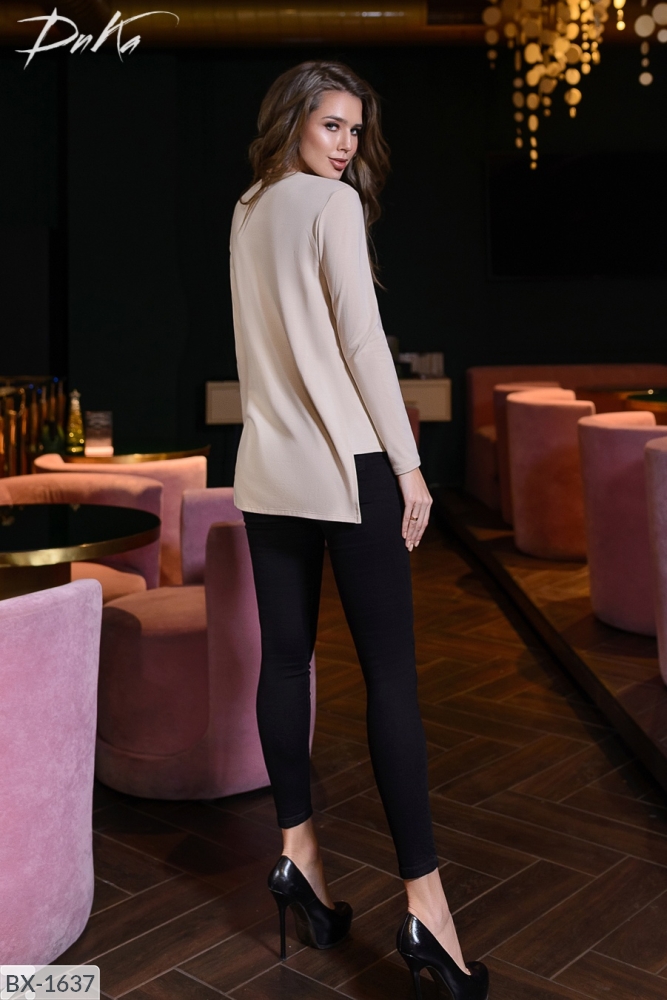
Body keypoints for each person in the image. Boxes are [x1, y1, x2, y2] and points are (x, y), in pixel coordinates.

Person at [229, 60, 488, 1000]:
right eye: (330, 124)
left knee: (283, 665)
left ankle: (298, 857)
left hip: (267, 472)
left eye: (354, 129)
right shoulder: (331, 208)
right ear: (293, 120)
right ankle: (427, 910)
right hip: (351, 466)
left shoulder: (247, 208)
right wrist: (410, 466)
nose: (344, 144)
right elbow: (362, 342)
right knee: (390, 680)